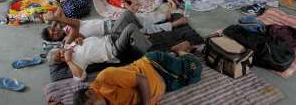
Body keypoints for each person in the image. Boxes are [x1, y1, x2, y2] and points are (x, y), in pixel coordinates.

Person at [72, 43, 202, 105]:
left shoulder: (106, 78)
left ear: (90, 92)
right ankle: (177, 54)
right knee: (194, 79)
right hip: (165, 85)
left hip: (155, 65)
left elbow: (142, 79)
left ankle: (179, 50)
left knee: (196, 68)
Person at [45, 11, 152, 80]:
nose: (62, 55)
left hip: (110, 37)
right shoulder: (74, 63)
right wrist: (68, 61)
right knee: (131, 28)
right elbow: (81, 77)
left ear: (60, 48)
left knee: (126, 14)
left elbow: (76, 26)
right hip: (113, 50)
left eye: (59, 53)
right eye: (60, 59)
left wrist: (80, 38)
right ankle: (149, 53)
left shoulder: (68, 44)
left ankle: (141, 35)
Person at [42, 9, 188, 43]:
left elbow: (60, 9)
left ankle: (164, 17)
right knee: (142, 26)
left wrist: (53, 21)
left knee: (139, 19)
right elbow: (75, 24)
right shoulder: (68, 40)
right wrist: (54, 19)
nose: (55, 32)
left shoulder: (62, 27)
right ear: (55, 40)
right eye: (53, 35)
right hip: (111, 32)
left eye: (52, 30)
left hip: (108, 23)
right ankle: (175, 23)